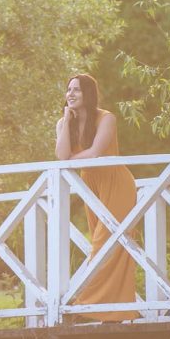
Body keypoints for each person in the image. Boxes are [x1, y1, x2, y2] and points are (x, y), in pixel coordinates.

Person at [55, 73, 139, 321]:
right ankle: (112, 312)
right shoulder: (64, 123)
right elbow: (61, 157)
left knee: (106, 244)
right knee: (103, 243)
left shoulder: (106, 118)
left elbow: (95, 153)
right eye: (68, 90)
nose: (71, 94)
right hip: (90, 186)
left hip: (116, 182)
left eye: (77, 90)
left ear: (88, 94)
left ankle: (84, 303)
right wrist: (65, 122)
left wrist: (70, 161)